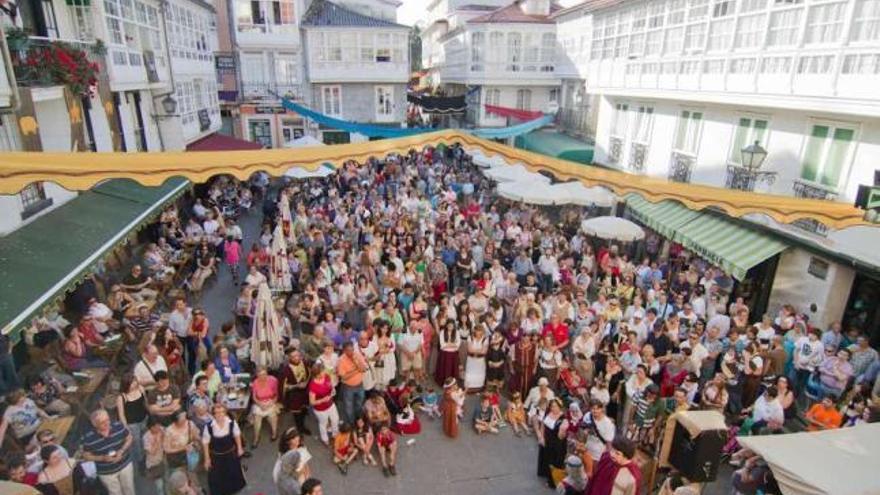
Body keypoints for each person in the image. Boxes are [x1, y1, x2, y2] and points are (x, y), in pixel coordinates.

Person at [81, 409, 135, 495]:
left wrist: (121, 451)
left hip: (125, 465)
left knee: (129, 489)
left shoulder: (118, 426)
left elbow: (129, 438)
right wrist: (102, 458)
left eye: (108, 420)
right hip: (106, 472)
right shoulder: (88, 438)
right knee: (115, 493)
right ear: (95, 424)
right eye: (102, 422)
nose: (107, 423)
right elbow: (86, 455)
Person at [201, 403, 246, 495]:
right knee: (218, 476)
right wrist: (207, 458)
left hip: (230, 454)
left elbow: (237, 435)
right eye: (217, 413)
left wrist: (240, 448)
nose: (220, 415)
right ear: (213, 414)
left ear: (225, 413)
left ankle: (233, 489)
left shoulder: (232, 423)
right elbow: (205, 443)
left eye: (222, 412)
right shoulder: (209, 427)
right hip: (216, 456)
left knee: (232, 472)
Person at [537, 398, 568, 489]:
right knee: (545, 458)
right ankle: (545, 474)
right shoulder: (548, 413)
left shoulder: (563, 418)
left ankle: (552, 482)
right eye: (551, 406)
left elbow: (561, 436)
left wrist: (563, 429)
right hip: (546, 441)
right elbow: (543, 425)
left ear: (560, 407)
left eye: (555, 406)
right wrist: (541, 437)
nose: (553, 408)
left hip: (557, 445)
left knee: (554, 462)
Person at [336, 341, 367, 425]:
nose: (351, 352)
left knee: (359, 404)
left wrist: (358, 364)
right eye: (348, 350)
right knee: (348, 407)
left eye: (352, 350)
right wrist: (357, 369)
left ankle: (358, 419)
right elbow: (344, 377)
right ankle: (351, 423)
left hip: (360, 384)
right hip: (348, 387)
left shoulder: (357, 354)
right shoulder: (341, 360)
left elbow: (364, 369)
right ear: (344, 351)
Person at [308, 364, 340, 446]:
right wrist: (322, 400)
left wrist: (333, 390)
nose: (325, 372)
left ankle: (335, 434)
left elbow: (330, 385)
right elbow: (312, 402)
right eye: (323, 371)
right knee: (323, 423)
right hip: (321, 409)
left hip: (330, 403)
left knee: (335, 419)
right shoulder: (313, 386)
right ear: (317, 374)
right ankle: (324, 438)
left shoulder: (326, 376)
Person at [250, 366, 280, 447]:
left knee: (273, 417)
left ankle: (274, 433)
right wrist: (260, 404)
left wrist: (270, 403)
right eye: (260, 375)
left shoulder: (273, 380)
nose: (263, 376)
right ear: (257, 375)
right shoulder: (255, 382)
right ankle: (256, 438)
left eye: (265, 374)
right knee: (257, 419)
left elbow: (277, 396)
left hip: (270, 401)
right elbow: (254, 397)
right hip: (259, 402)